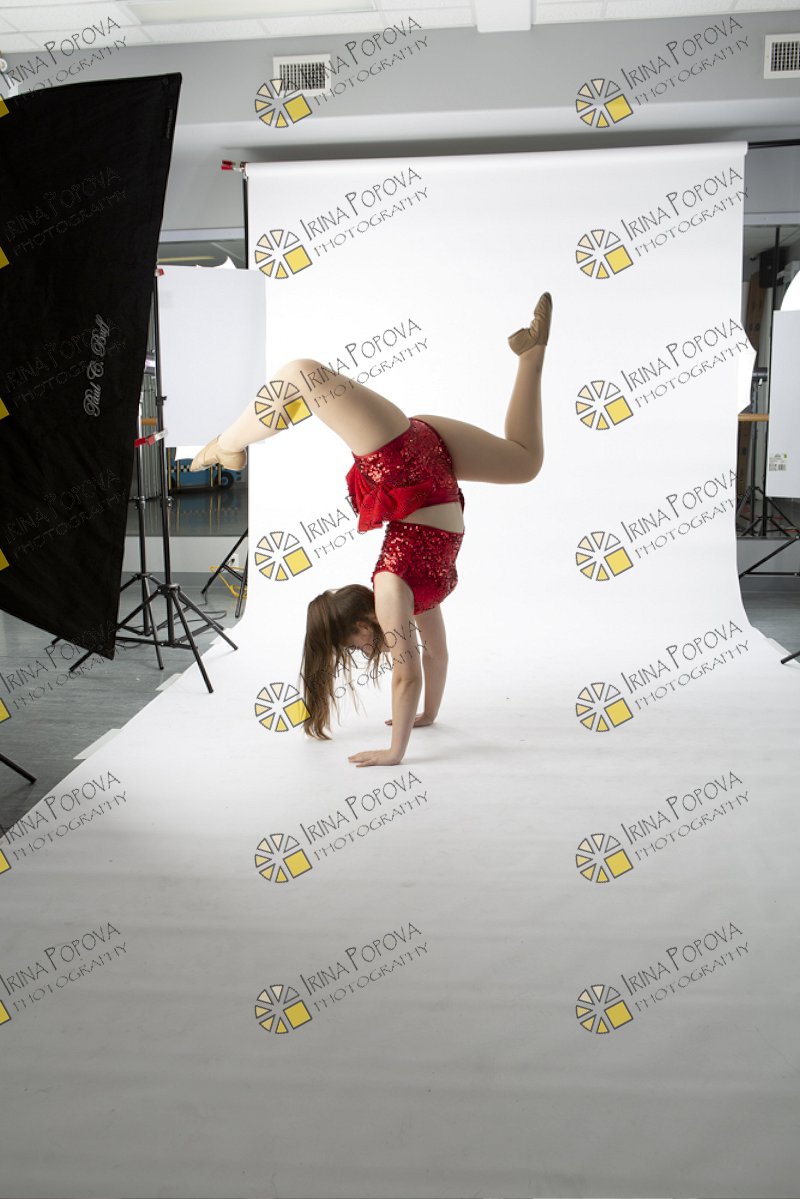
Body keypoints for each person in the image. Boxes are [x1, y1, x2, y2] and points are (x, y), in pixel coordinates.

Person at [190, 292, 552, 767]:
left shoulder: (389, 589)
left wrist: (394, 752)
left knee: (302, 373)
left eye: (355, 646)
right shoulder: (414, 598)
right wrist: (429, 714)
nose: (365, 652)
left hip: (397, 459)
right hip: (435, 461)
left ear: (361, 625)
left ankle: (227, 444)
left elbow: (407, 675)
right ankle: (530, 354)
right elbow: (436, 657)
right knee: (525, 463)